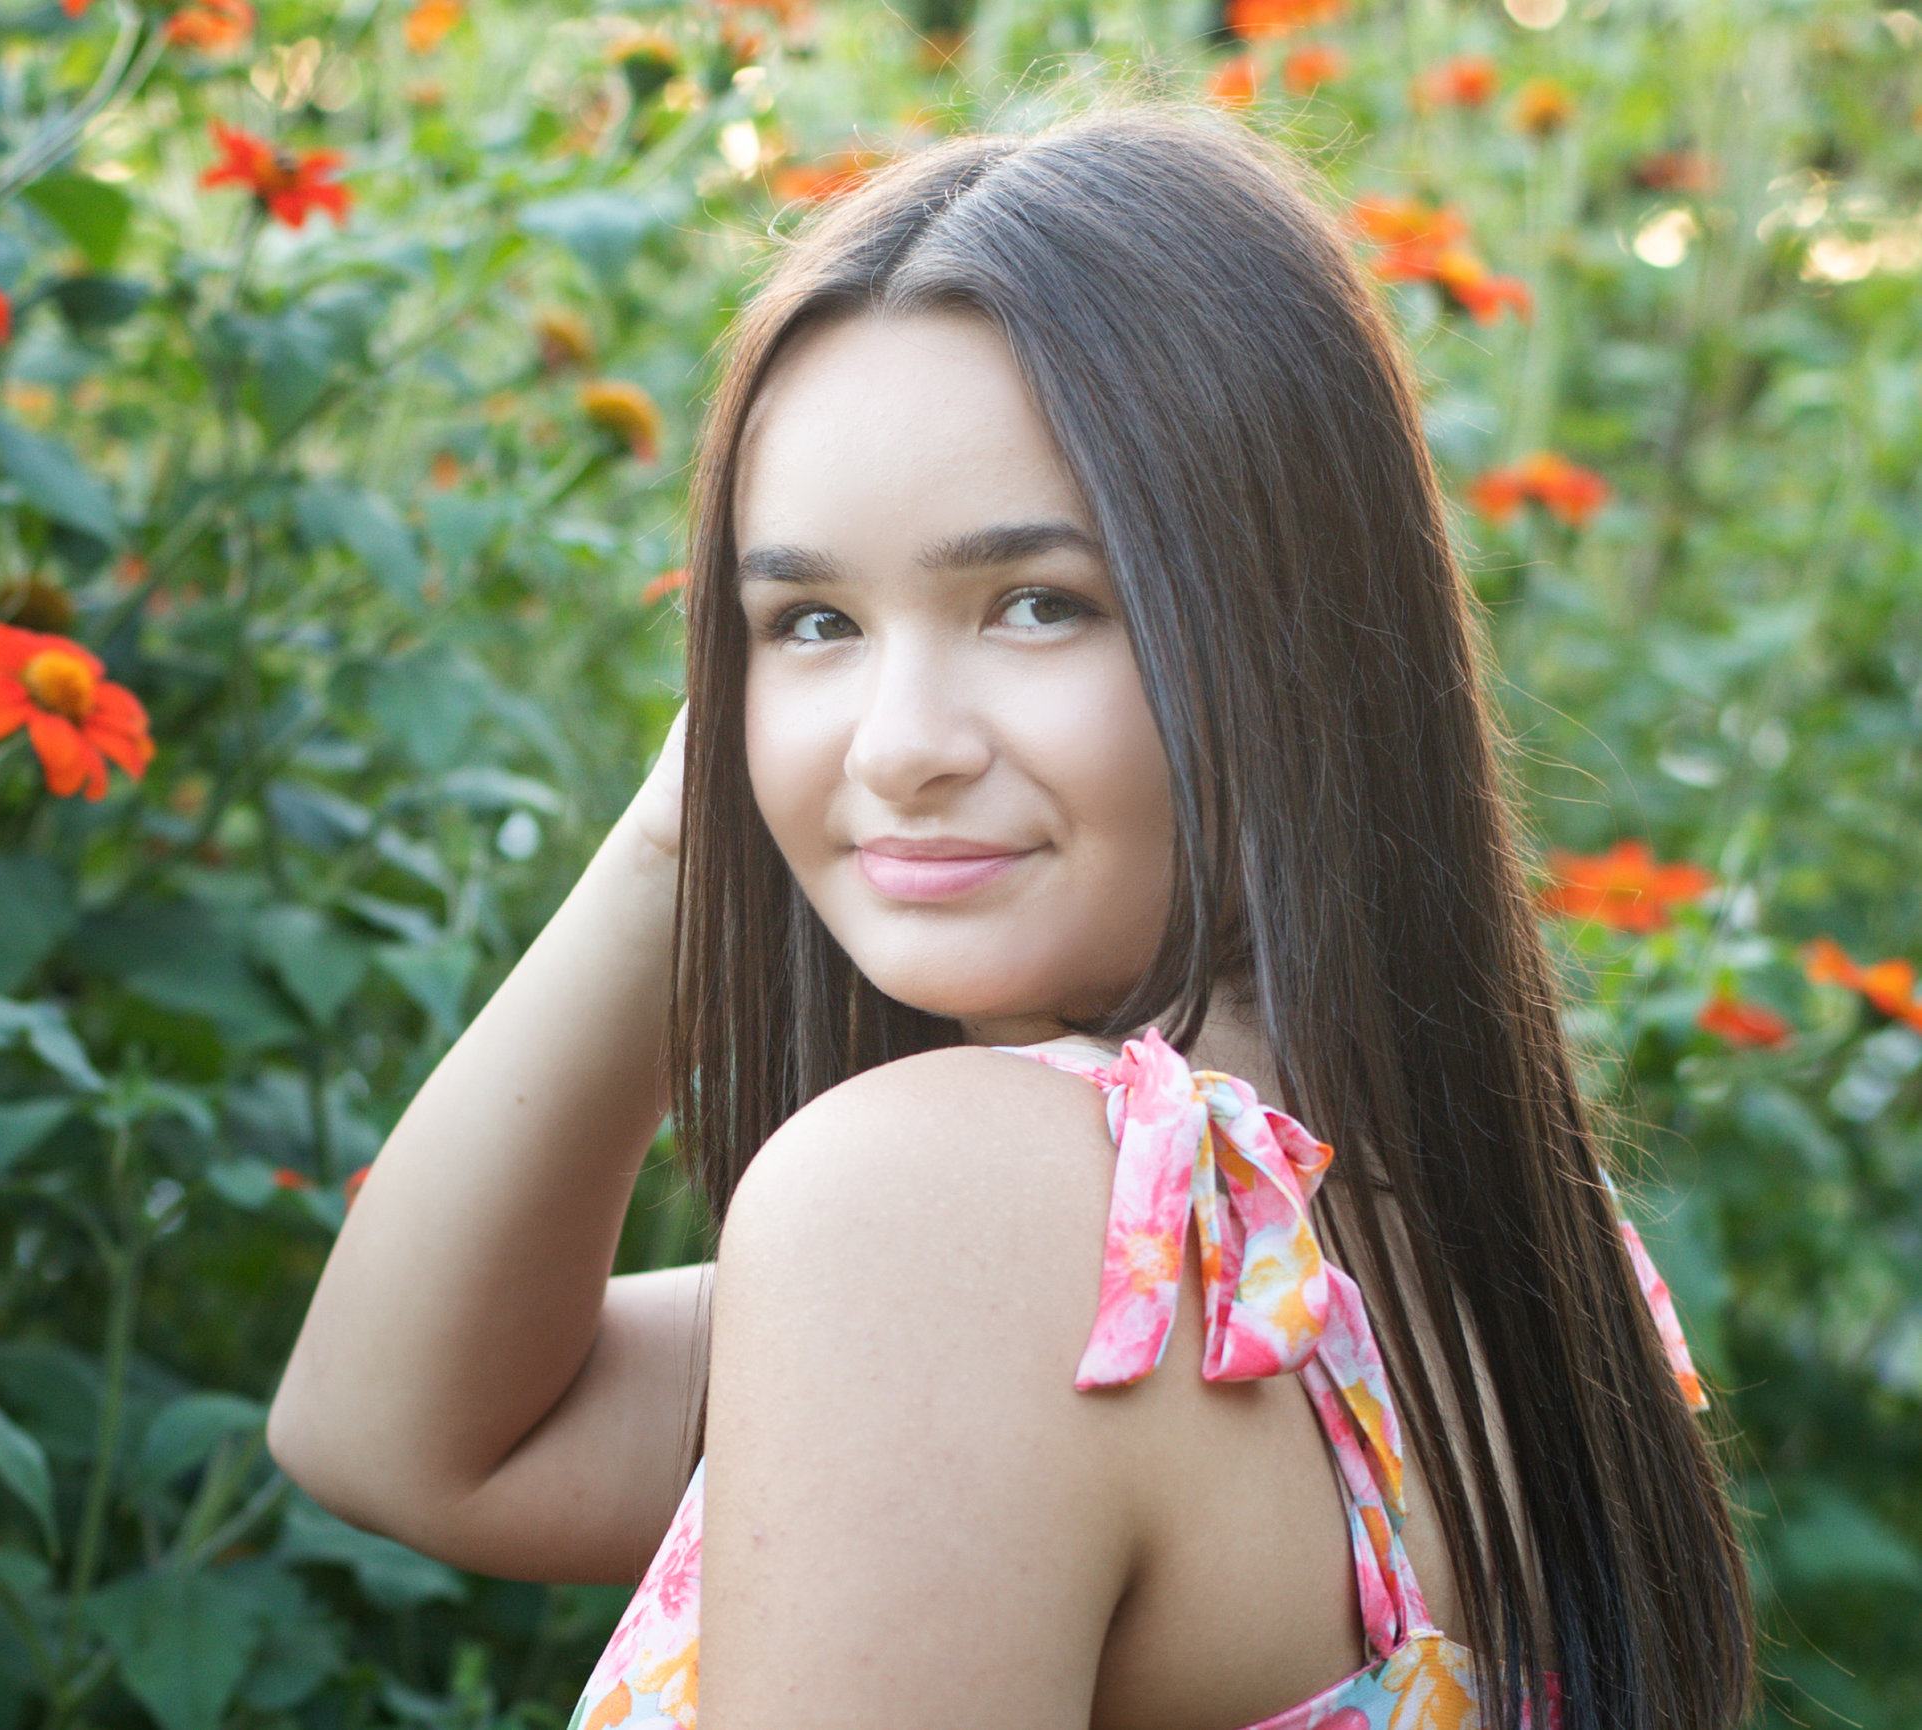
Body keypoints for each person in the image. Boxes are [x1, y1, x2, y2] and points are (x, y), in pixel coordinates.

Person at [266, 106, 1753, 1730]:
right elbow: (404, 1433)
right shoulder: (1496, 1259)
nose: (900, 742)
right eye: (811, 618)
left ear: (1294, 631)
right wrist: (685, 832)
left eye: (1039, 603)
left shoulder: (956, 1218)